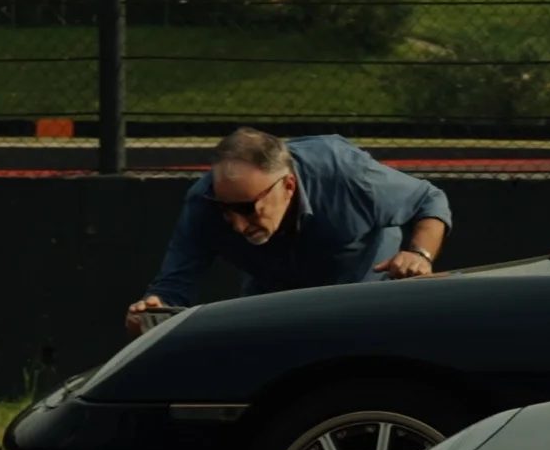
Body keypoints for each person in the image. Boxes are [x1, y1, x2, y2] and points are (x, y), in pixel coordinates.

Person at [125, 127, 450, 336]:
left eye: (247, 208)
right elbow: (174, 286)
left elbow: (428, 200)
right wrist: (152, 311)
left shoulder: (345, 174)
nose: (237, 224)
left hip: (364, 302)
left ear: (289, 186)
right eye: (225, 208)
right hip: (277, 305)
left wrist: (419, 253)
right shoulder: (203, 203)